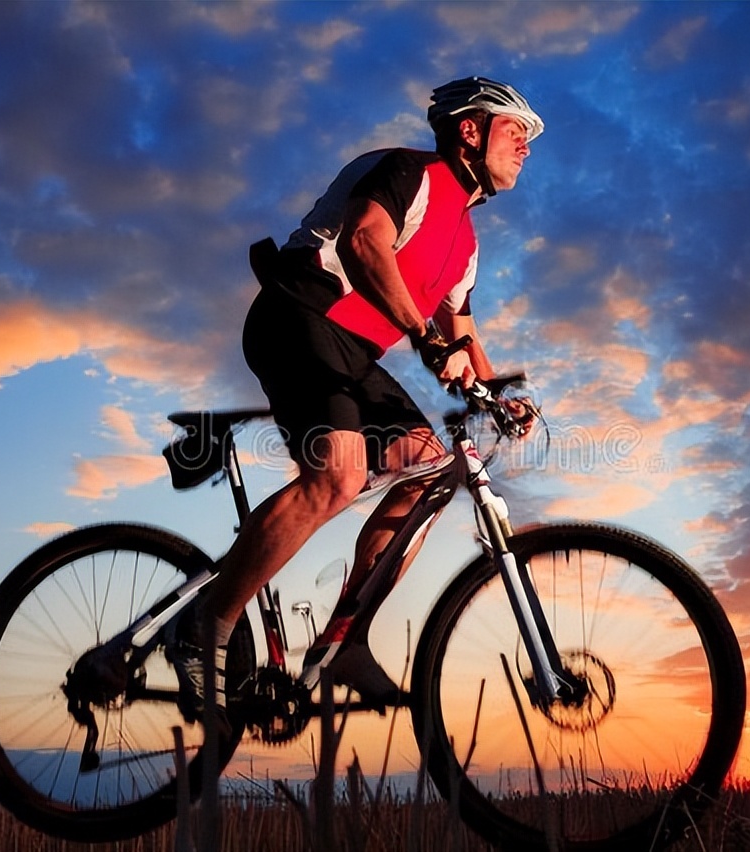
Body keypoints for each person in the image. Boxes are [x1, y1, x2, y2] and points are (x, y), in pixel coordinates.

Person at [169, 77, 544, 730]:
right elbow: (365, 241)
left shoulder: (465, 241)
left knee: (429, 470)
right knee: (338, 477)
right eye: (515, 131)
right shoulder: (408, 171)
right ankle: (206, 626)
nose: (526, 147)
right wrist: (426, 340)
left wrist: (499, 398)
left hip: (353, 353)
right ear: (469, 130)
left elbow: (460, 329)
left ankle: (345, 639)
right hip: (298, 316)